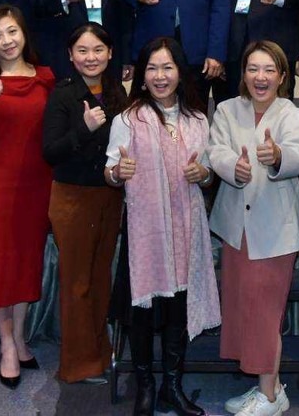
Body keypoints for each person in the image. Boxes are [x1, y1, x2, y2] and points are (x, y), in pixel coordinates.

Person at [105, 37, 220, 416]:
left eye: (167, 67)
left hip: (186, 230)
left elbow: (208, 174)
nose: (160, 76)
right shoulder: (128, 120)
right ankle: (145, 386)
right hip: (146, 234)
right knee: (142, 312)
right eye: (152, 68)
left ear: (180, 73)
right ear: (142, 76)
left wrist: (204, 175)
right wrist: (117, 172)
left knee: (177, 311)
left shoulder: (198, 120)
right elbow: (110, 171)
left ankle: (172, 385)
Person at [208, 40, 299, 416]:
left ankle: (268, 397)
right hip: (236, 228)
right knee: (244, 308)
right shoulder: (226, 109)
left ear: (282, 76)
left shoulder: (291, 114)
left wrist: (278, 155)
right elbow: (215, 151)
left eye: (269, 69)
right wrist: (231, 168)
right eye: (253, 69)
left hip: (275, 231)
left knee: (266, 313)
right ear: (243, 74)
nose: (260, 77)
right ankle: (272, 388)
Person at [0, 5, 54, 386]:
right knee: (1, 266)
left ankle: (19, 337)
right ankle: (5, 345)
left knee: (27, 262)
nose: (7, 41)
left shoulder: (46, 78)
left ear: (24, 33)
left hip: (36, 186)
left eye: (12, 31)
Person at [41, 24, 127, 384]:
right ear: (70, 55)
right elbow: (50, 152)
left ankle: (100, 352)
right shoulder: (62, 95)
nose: (91, 58)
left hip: (109, 195)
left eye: (98, 50)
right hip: (73, 198)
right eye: (82, 50)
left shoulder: (116, 91)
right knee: (77, 283)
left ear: (110, 53)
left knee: (100, 277)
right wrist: (84, 128)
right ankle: (77, 364)